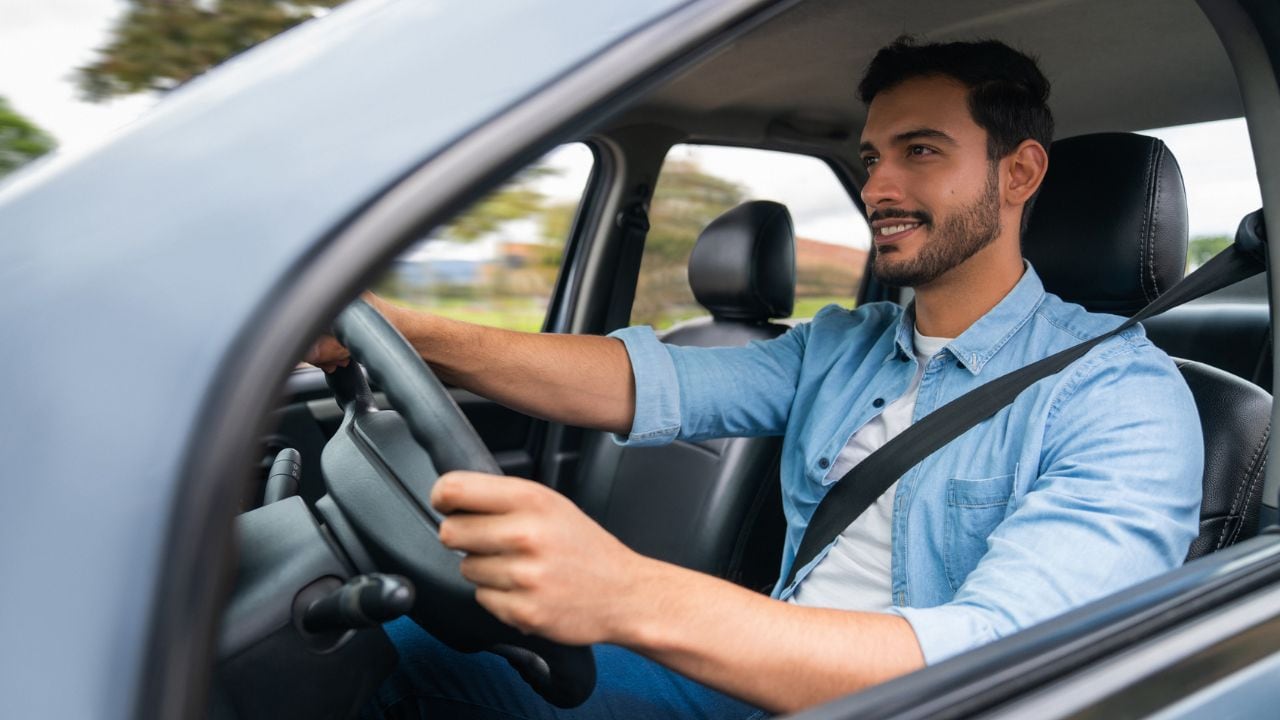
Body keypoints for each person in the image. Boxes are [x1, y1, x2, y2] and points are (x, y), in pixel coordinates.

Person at [313, 37, 1203, 718]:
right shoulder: (844, 344)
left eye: (921, 152)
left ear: (1019, 172)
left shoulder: (1119, 397)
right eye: (871, 159)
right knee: (386, 645)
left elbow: (1005, 655)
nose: (879, 188)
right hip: (755, 686)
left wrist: (625, 592)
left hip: (911, 705)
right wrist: (403, 331)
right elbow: (638, 382)